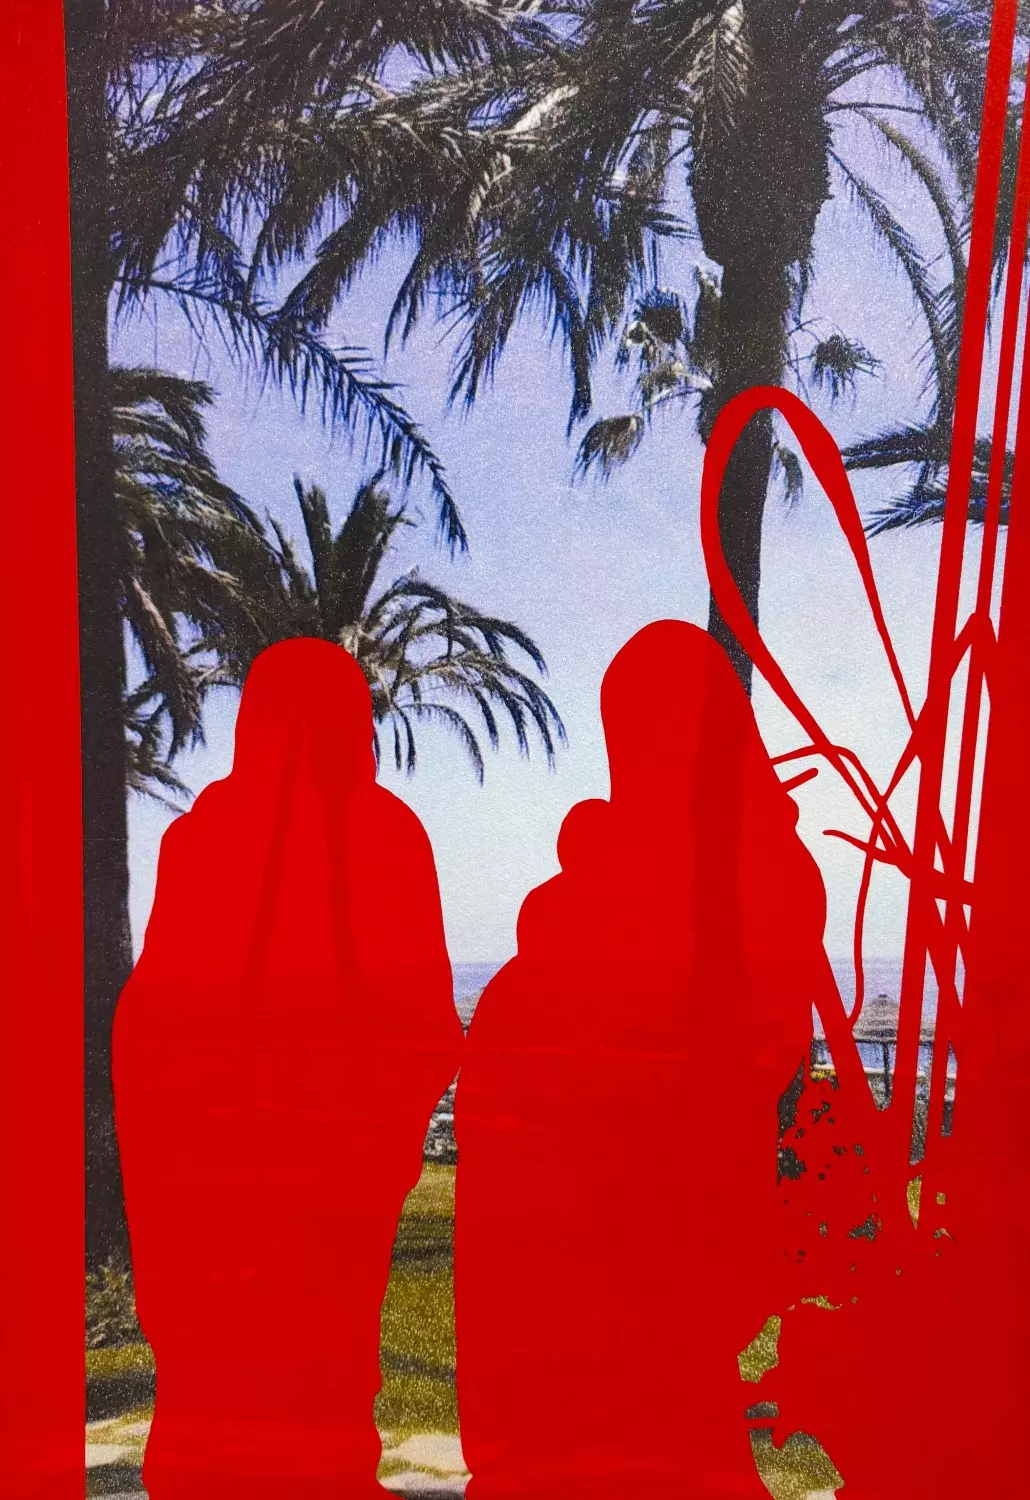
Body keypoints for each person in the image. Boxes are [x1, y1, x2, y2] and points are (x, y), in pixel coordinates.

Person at [454, 620, 827, 1499]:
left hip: (658, 1224)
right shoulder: (727, 867)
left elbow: (759, 1040)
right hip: (615, 1230)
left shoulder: (738, 871)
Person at [113, 638, 464, 1500]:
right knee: (257, 1367)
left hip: (293, 1173)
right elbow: (158, 1018)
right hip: (242, 1172)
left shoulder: (341, 839)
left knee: (300, 1365)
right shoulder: (228, 841)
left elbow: (423, 1024)